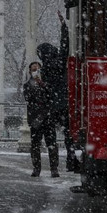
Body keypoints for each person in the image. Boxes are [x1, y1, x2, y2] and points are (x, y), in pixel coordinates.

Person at [36, 10, 79, 172]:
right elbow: (65, 45)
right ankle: (71, 159)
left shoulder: (45, 67)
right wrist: (63, 26)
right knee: (69, 134)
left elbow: (45, 87)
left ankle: (54, 164)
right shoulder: (60, 61)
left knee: (51, 135)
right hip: (65, 102)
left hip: (52, 104)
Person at [23, 61, 59, 177]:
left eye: (37, 69)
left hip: (48, 117)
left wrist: (42, 84)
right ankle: (36, 168)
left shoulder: (47, 83)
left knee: (51, 144)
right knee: (35, 145)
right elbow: (28, 98)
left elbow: (52, 95)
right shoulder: (27, 85)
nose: (36, 72)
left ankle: (54, 168)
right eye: (33, 70)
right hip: (35, 119)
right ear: (30, 72)